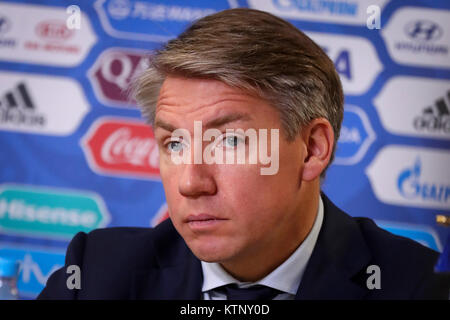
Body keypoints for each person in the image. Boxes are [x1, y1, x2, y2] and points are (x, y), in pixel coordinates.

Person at [38, 8, 448, 300]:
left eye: (229, 141)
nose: (190, 182)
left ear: (312, 149)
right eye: (174, 144)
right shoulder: (94, 276)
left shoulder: (416, 286)